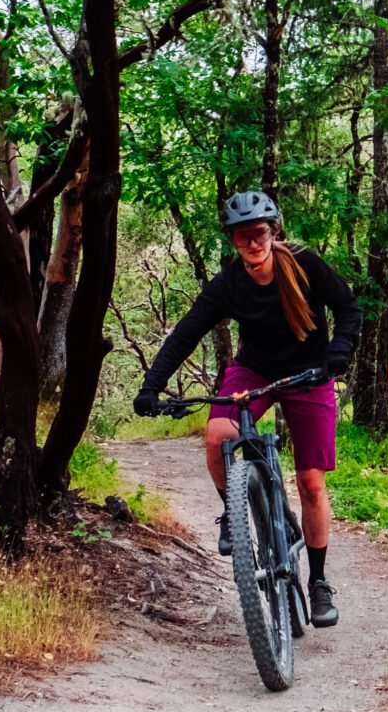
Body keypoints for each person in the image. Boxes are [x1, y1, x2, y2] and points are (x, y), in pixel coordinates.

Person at [133, 190, 359, 629]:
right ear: (233, 242)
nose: (252, 245)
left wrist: (339, 350)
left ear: (273, 232)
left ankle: (318, 582)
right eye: (242, 238)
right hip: (254, 372)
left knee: (311, 482)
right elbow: (186, 333)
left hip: (310, 373)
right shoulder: (230, 284)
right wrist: (151, 386)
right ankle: (234, 509)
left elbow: (348, 307)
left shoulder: (305, 264)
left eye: (258, 234)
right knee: (218, 436)